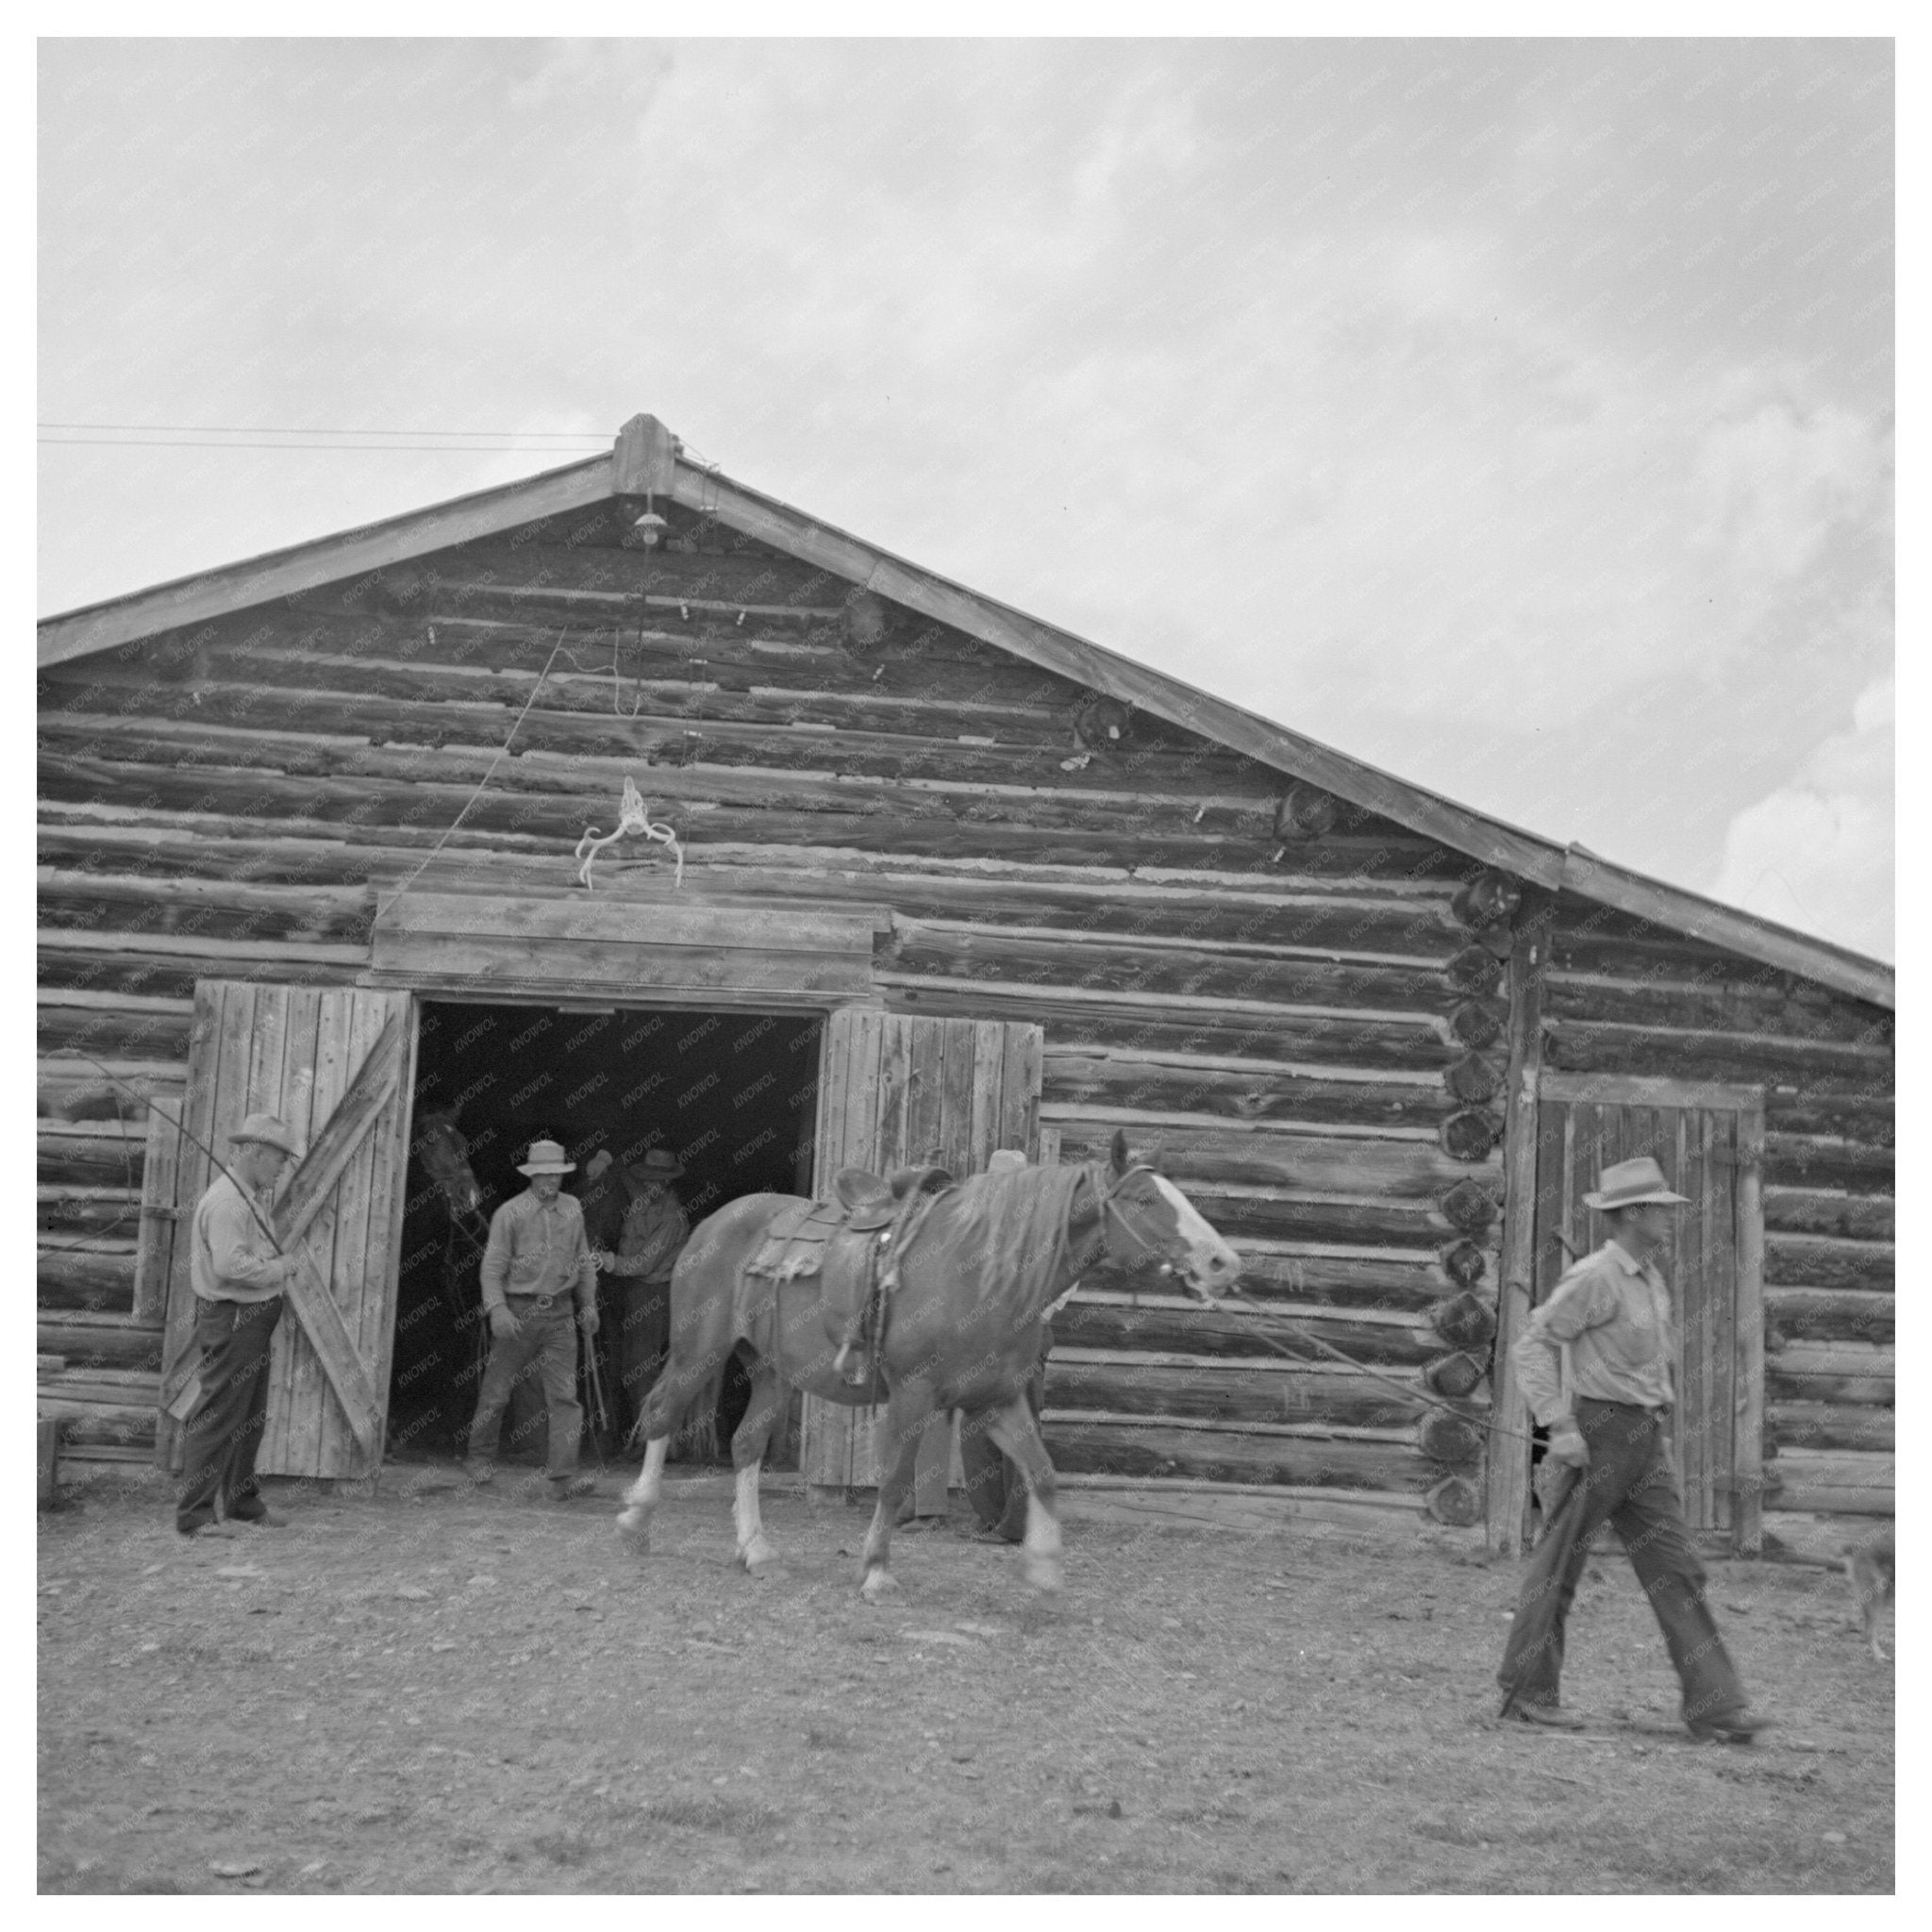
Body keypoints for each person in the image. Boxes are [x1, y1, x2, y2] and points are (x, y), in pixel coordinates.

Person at [1496, 1155, 1771, 1743]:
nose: (1672, 1219)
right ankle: (1528, 1692)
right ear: (1631, 1213)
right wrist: (1559, 1426)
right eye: (1661, 1209)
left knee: (1677, 1569)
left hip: (1644, 1440)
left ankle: (1716, 1705)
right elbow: (1531, 1346)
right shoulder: (1595, 1276)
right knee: (1560, 1566)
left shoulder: (1648, 1276)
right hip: (1597, 1436)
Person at [175, 1113, 306, 1539]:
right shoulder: (229, 1202)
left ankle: (241, 1503)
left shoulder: (246, 1195)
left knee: (249, 1416)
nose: (282, 1167)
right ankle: (194, 1516)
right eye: (279, 1159)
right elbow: (229, 1265)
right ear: (255, 1153)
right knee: (217, 1416)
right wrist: (279, 1268)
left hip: (250, 1321)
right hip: (234, 1319)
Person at [463, 1139, 600, 1500]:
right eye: (543, 1173)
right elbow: (491, 1269)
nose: (550, 1180)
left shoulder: (573, 1209)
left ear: (562, 1175)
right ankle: (478, 1461)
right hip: (518, 1310)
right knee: (496, 1392)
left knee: (565, 1396)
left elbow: (583, 1261)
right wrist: (498, 1309)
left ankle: (562, 1477)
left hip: (560, 1312)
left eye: (556, 1174)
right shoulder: (509, 1213)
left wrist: (589, 1305)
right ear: (531, 1174)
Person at [591, 1148, 691, 1439]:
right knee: (630, 1366)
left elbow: (645, 1264)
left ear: (667, 1182)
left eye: (655, 1180)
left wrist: (608, 1261)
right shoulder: (645, 1197)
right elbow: (623, 1174)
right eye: (645, 1179)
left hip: (655, 1295)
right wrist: (605, 1158)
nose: (648, 1184)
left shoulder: (672, 1218)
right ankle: (639, 1437)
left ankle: (648, 1441)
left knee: (641, 1369)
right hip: (634, 1293)